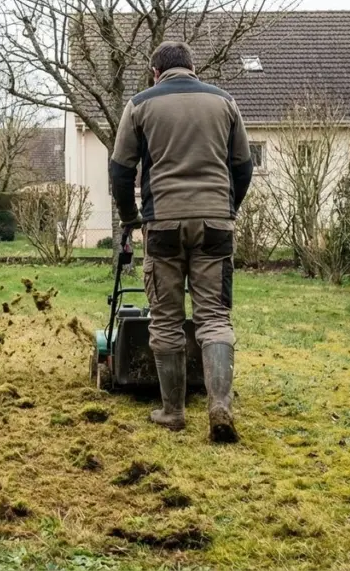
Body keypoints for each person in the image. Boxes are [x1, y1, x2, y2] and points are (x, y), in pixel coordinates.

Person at [108, 41, 253, 443]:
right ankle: (219, 405)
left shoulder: (139, 105)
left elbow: (121, 172)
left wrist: (130, 219)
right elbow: (244, 167)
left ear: (156, 72)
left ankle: (172, 412)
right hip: (216, 224)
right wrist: (227, 207)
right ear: (193, 68)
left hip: (164, 224)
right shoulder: (225, 102)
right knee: (214, 319)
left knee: (167, 319)